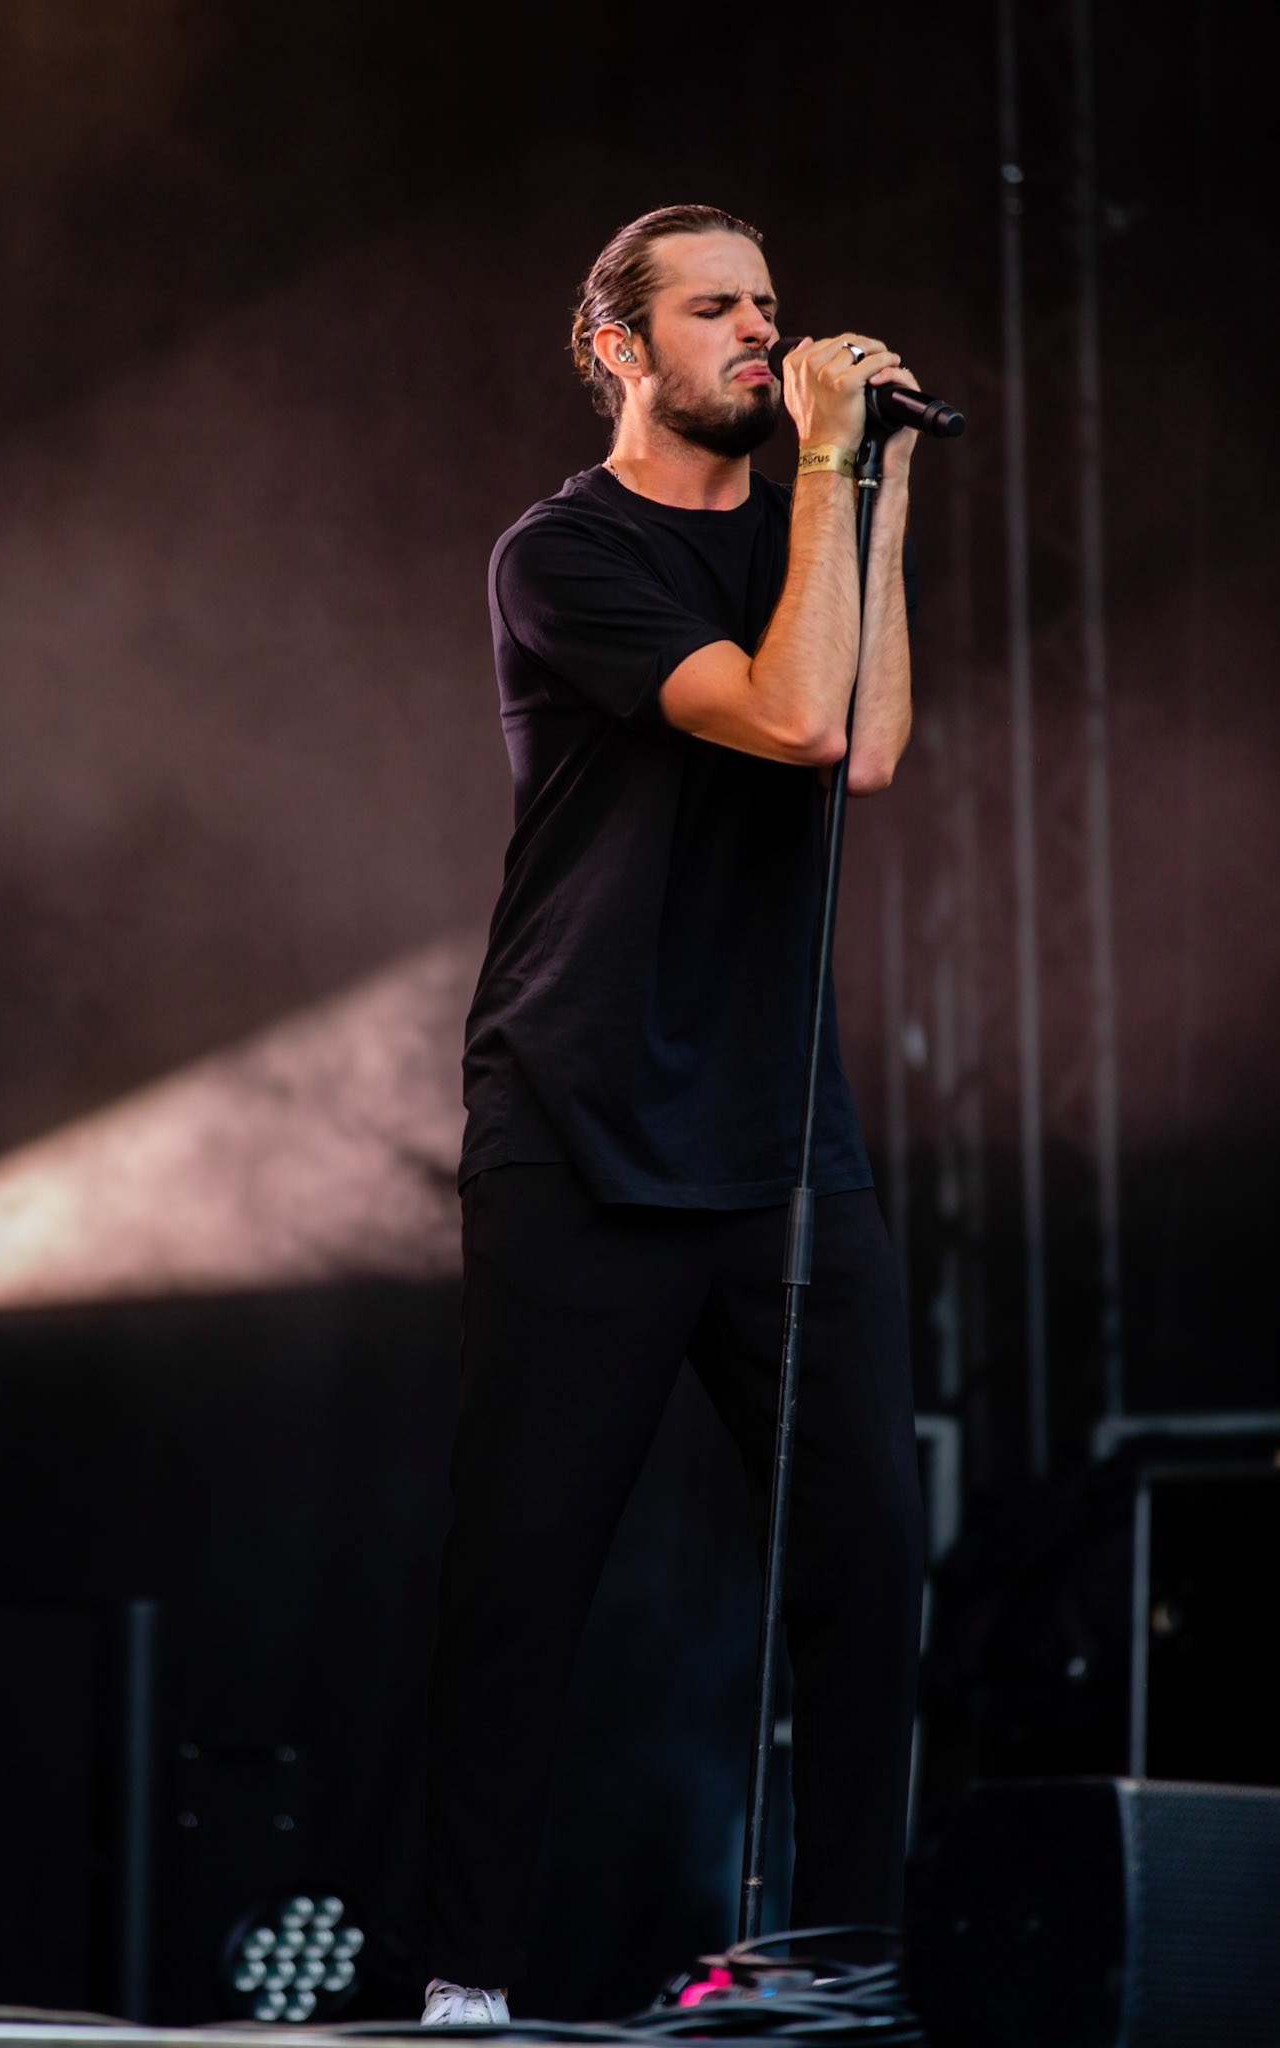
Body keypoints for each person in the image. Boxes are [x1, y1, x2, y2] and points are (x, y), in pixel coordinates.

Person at [421, 204, 926, 2025]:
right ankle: (463, 1981)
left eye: (769, 307)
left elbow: (867, 744)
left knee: (872, 1549)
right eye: (715, 307)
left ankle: (847, 1961)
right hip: (580, 1118)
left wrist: (870, 484)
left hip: (782, 1133)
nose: (755, 332)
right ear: (618, 343)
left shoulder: (816, 517)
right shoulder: (564, 554)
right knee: (524, 1574)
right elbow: (791, 719)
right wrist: (822, 468)